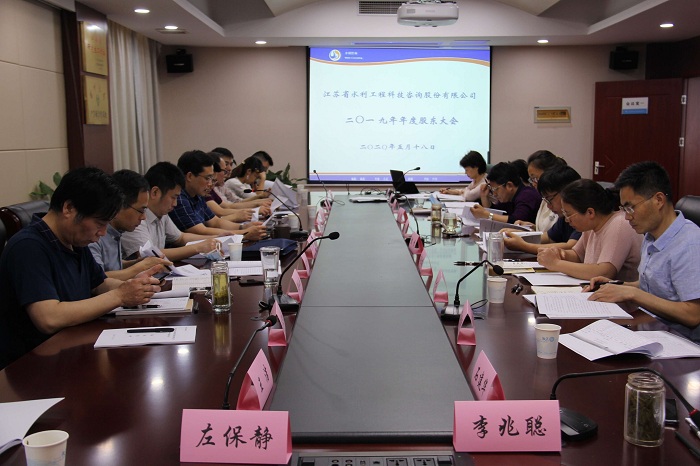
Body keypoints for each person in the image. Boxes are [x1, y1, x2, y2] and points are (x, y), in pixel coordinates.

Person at [0, 167, 161, 369]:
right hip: (33, 366)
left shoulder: (74, 241)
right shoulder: (28, 247)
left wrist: (136, 286)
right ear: (69, 208)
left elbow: (99, 284)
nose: (103, 233)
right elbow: (48, 318)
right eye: (99, 224)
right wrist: (120, 296)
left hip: (73, 351)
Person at [586, 162, 700, 342]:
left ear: (658, 200)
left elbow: (693, 314)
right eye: (624, 209)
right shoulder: (651, 236)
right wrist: (620, 286)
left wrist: (634, 294)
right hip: (650, 327)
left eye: (630, 207)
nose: (627, 216)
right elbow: (656, 286)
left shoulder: (690, 244)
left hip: (681, 342)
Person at [537, 179, 642, 281]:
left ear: (590, 212)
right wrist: (560, 254)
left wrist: (556, 263)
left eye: (568, 214)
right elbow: (578, 255)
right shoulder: (590, 227)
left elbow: (605, 272)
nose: (567, 220)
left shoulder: (619, 224)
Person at [121, 162, 223, 262]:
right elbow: (148, 255)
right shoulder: (135, 217)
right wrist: (198, 247)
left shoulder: (161, 213)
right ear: (155, 192)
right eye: (173, 197)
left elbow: (180, 238)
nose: (175, 204)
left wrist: (215, 238)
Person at [88, 170, 172, 279]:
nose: (143, 217)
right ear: (120, 205)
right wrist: (140, 267)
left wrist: (139, 263)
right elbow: (97, 279)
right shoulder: (94, 233)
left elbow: (112, 266)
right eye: (141, 210)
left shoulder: (116, 231)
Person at [169, 150, 267, 239]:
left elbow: (215, 222)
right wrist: (243, 233)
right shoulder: (179, 199)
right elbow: (201, 231)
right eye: (207, 178)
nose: (210, 183)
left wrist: (243, 227)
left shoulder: (198, 195)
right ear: (190, 176)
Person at [503, 166, 582, 254]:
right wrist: (518, 235)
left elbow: (571, 247)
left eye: (549, 199)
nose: (548, 206)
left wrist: (523, 246)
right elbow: (548, 237)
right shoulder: (563, 217)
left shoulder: (582, 214)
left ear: (566, 192)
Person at [470, 161, 541, 224]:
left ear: (509, 186)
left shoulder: (527, 195)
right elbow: (497, 214)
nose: (494, 194)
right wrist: (484, 197)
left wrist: (487, 215)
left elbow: (516, 220)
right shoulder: (508, 197)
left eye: (495, 189)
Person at [207, 151, 273, 215]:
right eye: (224, 169)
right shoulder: (233, 183)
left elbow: (233, 204)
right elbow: (221, 212)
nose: (229, 169)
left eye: (231, 164)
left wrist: (259, 200)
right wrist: (255, 209)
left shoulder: (219, 186)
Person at [521, 150, 567, 232]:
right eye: (531, 179)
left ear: (548, 174)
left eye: (535, 178)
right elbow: (548, 231)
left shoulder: (561, 199)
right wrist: (531, 228)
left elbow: (556, 236)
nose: (533, 184)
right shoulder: (544, 198)